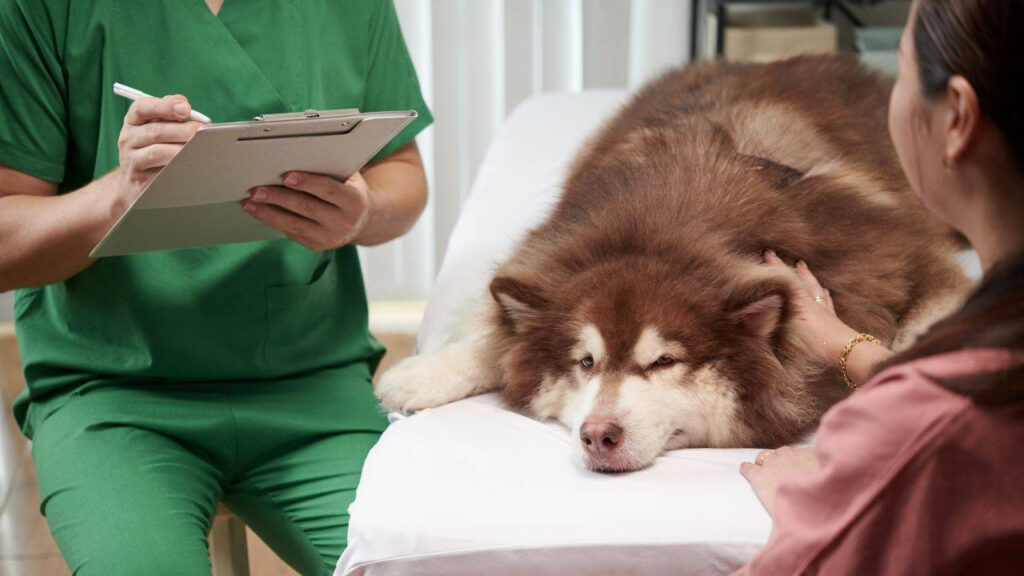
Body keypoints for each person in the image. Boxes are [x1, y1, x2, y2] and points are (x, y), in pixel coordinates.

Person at [0, 1, 432, 574]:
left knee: (426, 561)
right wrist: (117, 197)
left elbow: (402, 174)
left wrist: (362, 213)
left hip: (312, 382)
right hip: (113, 392)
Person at [734, 0, 1024, 573]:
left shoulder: (921, 433)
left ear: (958, 117)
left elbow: (948, 422)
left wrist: (818, 506)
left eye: (900, 72)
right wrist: (851, 347)